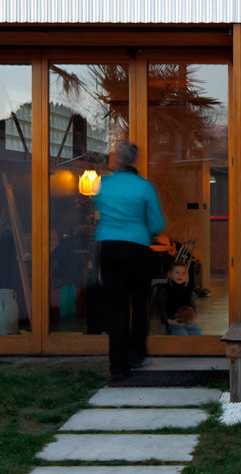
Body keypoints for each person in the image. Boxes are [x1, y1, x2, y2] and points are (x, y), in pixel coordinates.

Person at [93, 142, 166, 378]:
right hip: (136, 249)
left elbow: (97, 210)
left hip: (109, 249)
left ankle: (118, 366)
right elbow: (157, 224)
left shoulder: (103, 185)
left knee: (117, 308)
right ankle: (137, 354)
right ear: (134, 161)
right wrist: (147, 234)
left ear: (116, 161)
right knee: (140, 305)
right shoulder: (144, 187)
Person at [156, 260, 200, 335]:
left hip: (187, 320)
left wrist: (193, 318)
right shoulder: (165, 289)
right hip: (173, 321)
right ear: (170, 274)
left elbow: (192, 306)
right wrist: (169, 321)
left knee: (197, 332)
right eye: (177, 272)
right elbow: (162, 309)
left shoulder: (188, 289)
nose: (180, 275)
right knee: (181, 333)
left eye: (183, 273)